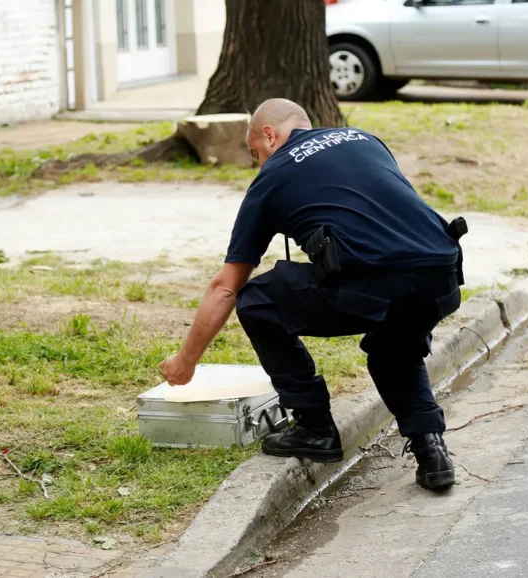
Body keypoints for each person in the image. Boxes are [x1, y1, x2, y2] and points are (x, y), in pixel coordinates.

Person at [159, 98, 464, 490]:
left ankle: (315, 428)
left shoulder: (272, 177)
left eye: (255, 153)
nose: (259, 163)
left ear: (269, 134)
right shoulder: (364, 139)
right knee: (393, 347)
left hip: (375, 281)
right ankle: (430, 448)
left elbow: (225, 288)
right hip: (442, 275)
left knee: (257, 300)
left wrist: (186, 361)